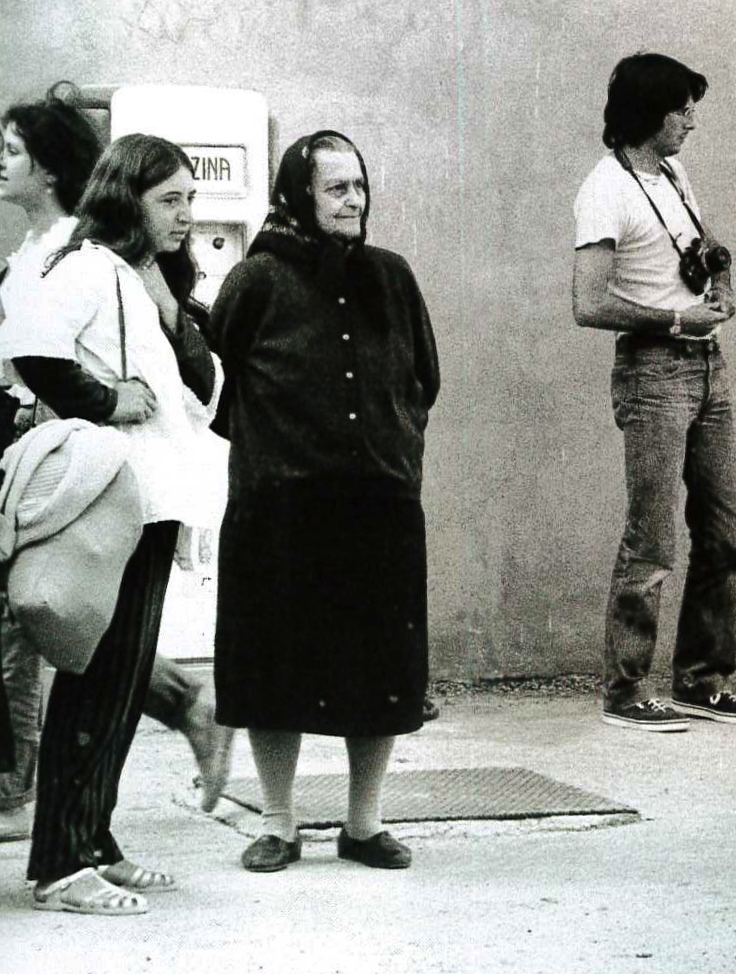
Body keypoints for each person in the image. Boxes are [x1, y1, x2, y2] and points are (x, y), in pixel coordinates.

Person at [0, 85, 233, 847]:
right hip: (112, 499)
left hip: (156, 499)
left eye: (191, 199)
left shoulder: (144, 280)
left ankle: (93, 841)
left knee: (124, 679)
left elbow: (206, 391)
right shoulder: (85, 265)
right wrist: (104, 401)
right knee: (98, 682)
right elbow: (33, 350)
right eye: (171, 200)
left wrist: (168, 307)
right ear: (128, 199)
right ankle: (65, 857)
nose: (187, 215)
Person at [209, 131, 438, 873]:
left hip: (379, 502)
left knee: (381, 666)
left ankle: (363, 824)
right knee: (275, 665)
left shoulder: (392, 277)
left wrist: (393, 444)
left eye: (360, 187)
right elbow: (218, 389)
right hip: (281, 506)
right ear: (299, 194)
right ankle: (278, 822)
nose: (353, 201)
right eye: (337, 187)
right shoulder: (257, 281)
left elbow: (423, 380)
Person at [573, 53, 736, 732]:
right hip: (654, 369)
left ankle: (701, 682)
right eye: (681, 106)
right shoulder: (605, 190)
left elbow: (704, 244)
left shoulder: (674, 174)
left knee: (722, 531)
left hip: (707, 364)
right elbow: (588, 302)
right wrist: (677, 317)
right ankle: (625, 691)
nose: (690, 119)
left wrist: (722, 274)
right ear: (647, 112)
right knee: (651, 540)